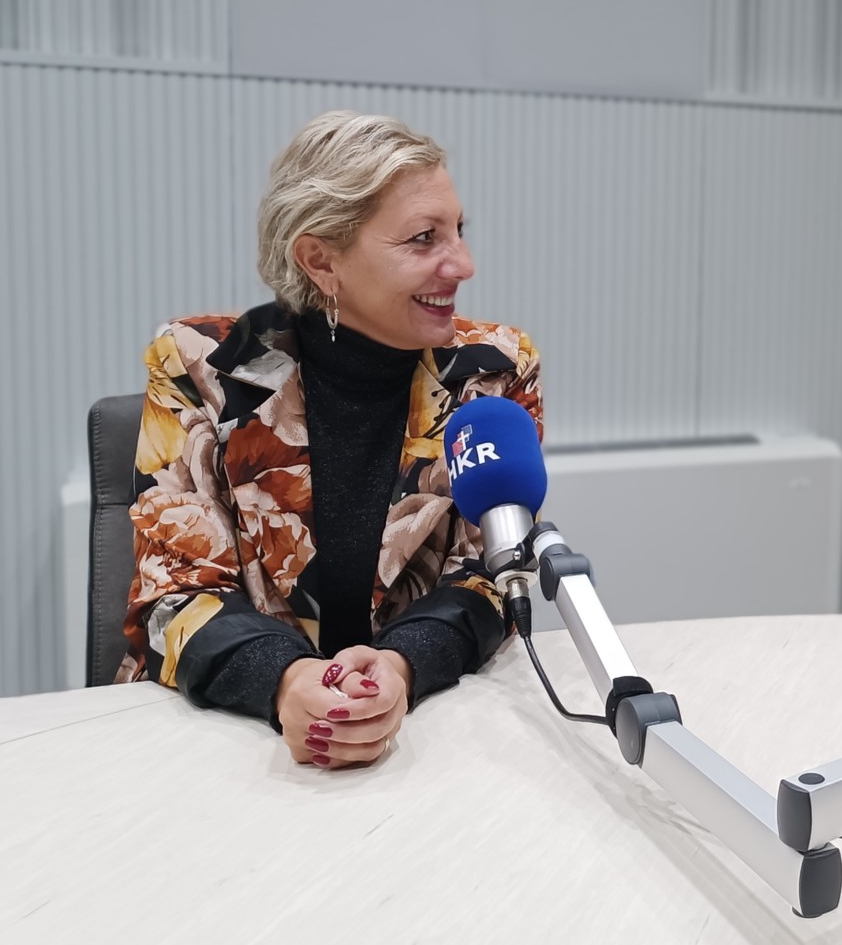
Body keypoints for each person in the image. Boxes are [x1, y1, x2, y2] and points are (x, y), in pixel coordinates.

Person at [118, 111, 544, 769]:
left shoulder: (493, 370)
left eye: (459, 231)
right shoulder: (199, 364)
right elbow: (173, 591)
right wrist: (285, 681)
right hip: (226, 743)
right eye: (424, 238)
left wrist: (401, 667)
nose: (463, 264)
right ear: (320, 260)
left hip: (427, 738)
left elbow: (491, 576)